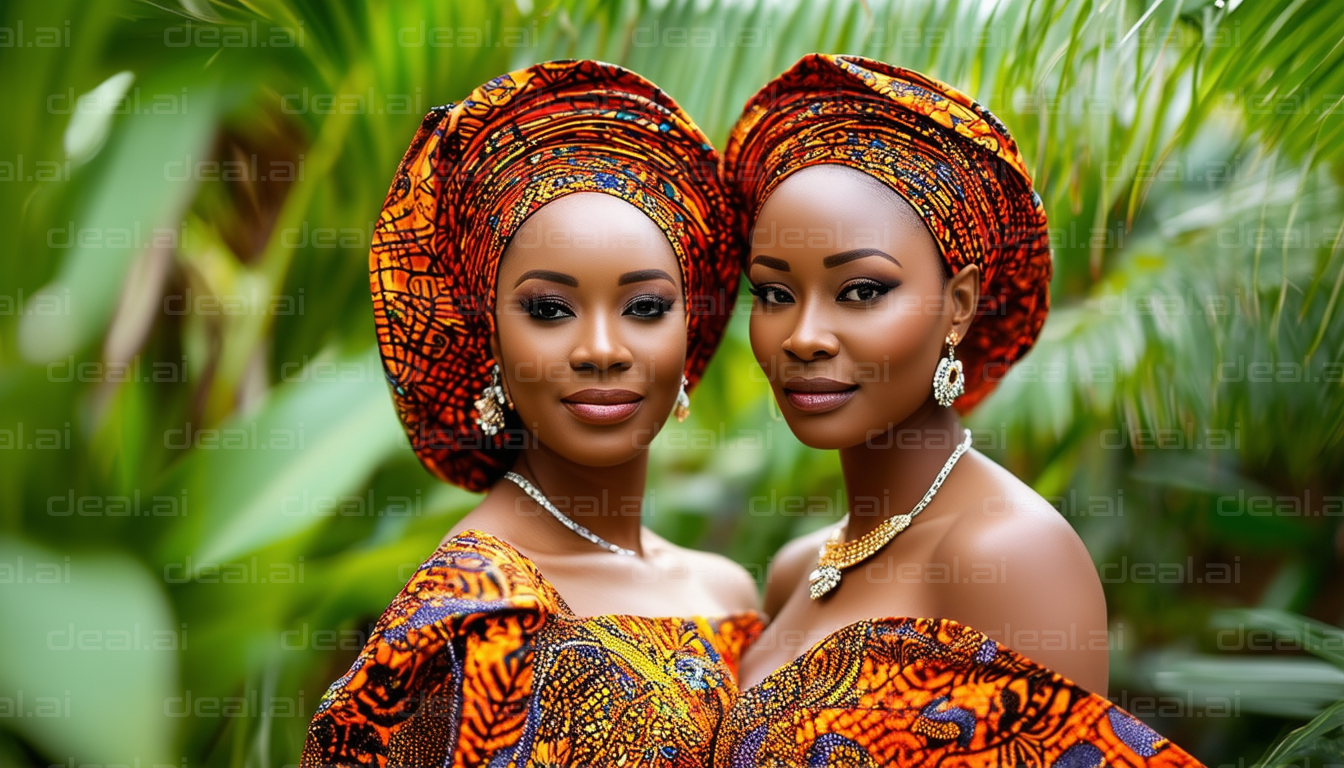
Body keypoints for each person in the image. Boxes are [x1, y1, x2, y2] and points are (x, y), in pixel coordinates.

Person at [717, 54, 1202, 766]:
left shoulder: (1007, 555)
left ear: (960, 303)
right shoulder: (798, 568)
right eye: (775, 293)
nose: (804, 336)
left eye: (860, 291)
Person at [300, 59, 759, 767]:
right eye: (549, 310)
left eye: (645, 308)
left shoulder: (725, 588)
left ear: (690, 333)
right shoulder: (469, 615)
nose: (603, 350)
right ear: (491, 339)